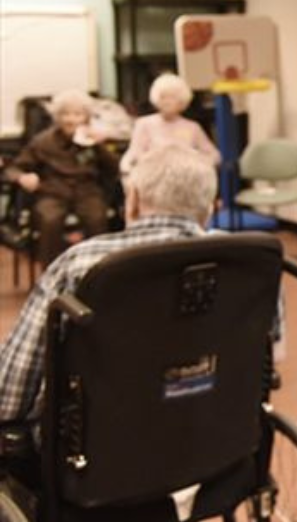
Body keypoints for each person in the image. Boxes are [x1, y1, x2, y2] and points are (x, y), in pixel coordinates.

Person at [0, 144, 218, 424]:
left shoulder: (81, 263)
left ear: (133, 200)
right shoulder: (247, 261)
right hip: (216, 435)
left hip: (100, 438)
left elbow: (9, 399)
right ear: (210, 209)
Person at [3, 90, 120, 268]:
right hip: (53, 192)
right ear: (57, 117)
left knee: (96, 218)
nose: (70, 120)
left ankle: (97, 270)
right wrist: (23, 177)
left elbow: (115, 168)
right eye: (65, 114)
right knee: (50, 220)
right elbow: (14, 168)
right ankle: (51, 270)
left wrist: (100, 146)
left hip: (87, 191)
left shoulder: (94, 141)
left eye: (77, 114)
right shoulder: (43, 141)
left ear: (86, 117)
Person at [118, 73, 221, 175]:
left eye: (172, 97)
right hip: (152, 177)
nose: (167, 102)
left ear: (181, 100)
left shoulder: (193, 127)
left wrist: (198, 165)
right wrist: (127, 170)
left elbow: (214, 156)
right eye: (163, 97)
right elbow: (133, 152)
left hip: (185, 177)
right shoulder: (143, 124)